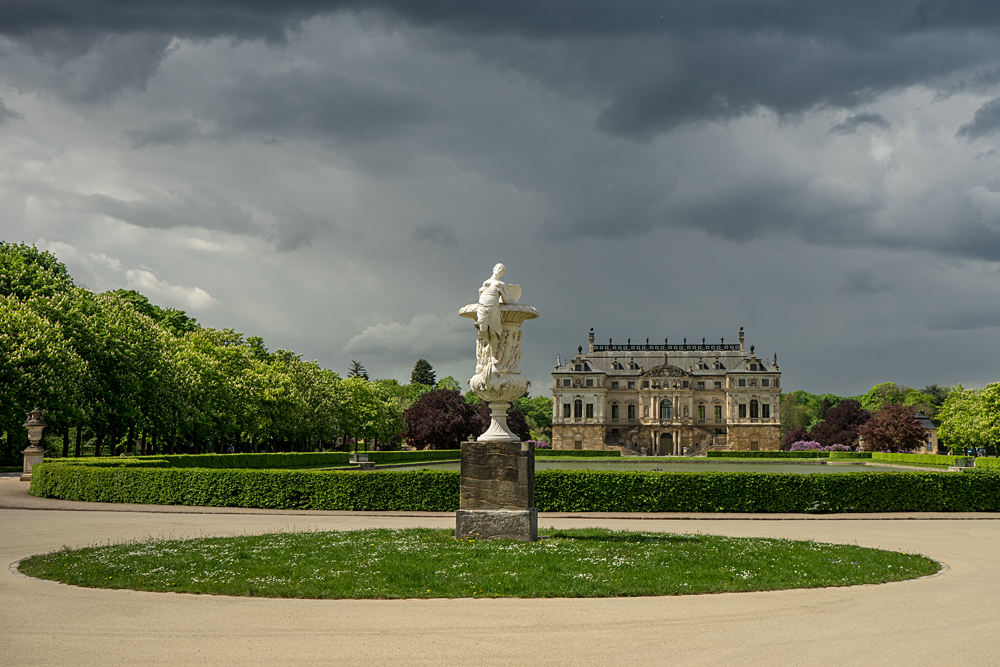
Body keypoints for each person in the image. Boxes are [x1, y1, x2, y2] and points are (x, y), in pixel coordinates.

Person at [475, 263, 521, 363]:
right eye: (499, 268)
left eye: (502, 270)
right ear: (494, 269)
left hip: (493, 308)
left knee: (493, 332)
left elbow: (507, 301)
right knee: (482, 331)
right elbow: (481, 295)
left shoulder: (501, 284)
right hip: (483, 307)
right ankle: (489, 346)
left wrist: (501, 291)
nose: (500, 270)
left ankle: (492, 355)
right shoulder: (485, 282)